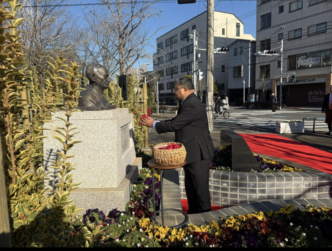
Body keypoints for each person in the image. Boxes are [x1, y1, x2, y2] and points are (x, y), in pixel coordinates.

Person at [140, 77, 214, 214]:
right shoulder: (187, 102)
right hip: (192, 151)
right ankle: (193, 215)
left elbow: (175, 125)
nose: (174, 92)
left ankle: (205, 219)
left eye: (176, 89)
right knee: (191, 187)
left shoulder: (191, 103)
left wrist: (154, 124)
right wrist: (156, 122)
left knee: (200, 189)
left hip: (199, 152)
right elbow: (177, 121)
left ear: (185, 89)